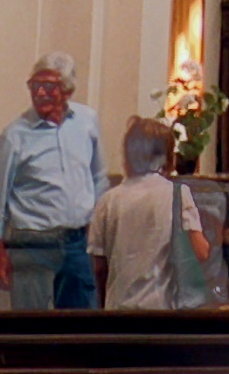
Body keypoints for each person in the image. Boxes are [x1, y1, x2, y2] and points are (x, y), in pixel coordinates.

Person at [0, 52, 106, 310]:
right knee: (31, 327)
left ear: (66, 91)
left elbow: (98, 177)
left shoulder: (87, 122)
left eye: (49, 86)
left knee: (82, 327)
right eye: (35, 85)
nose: (40, 93)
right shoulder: (15, 135)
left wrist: (94, 227)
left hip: (77, 241)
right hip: (32, 242)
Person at [88, 117, 220, 310]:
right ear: (167, 155)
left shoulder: (108, 201)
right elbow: (200, 251)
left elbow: (99, 267)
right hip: (163, 308)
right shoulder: (178, 195)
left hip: (118, 309)